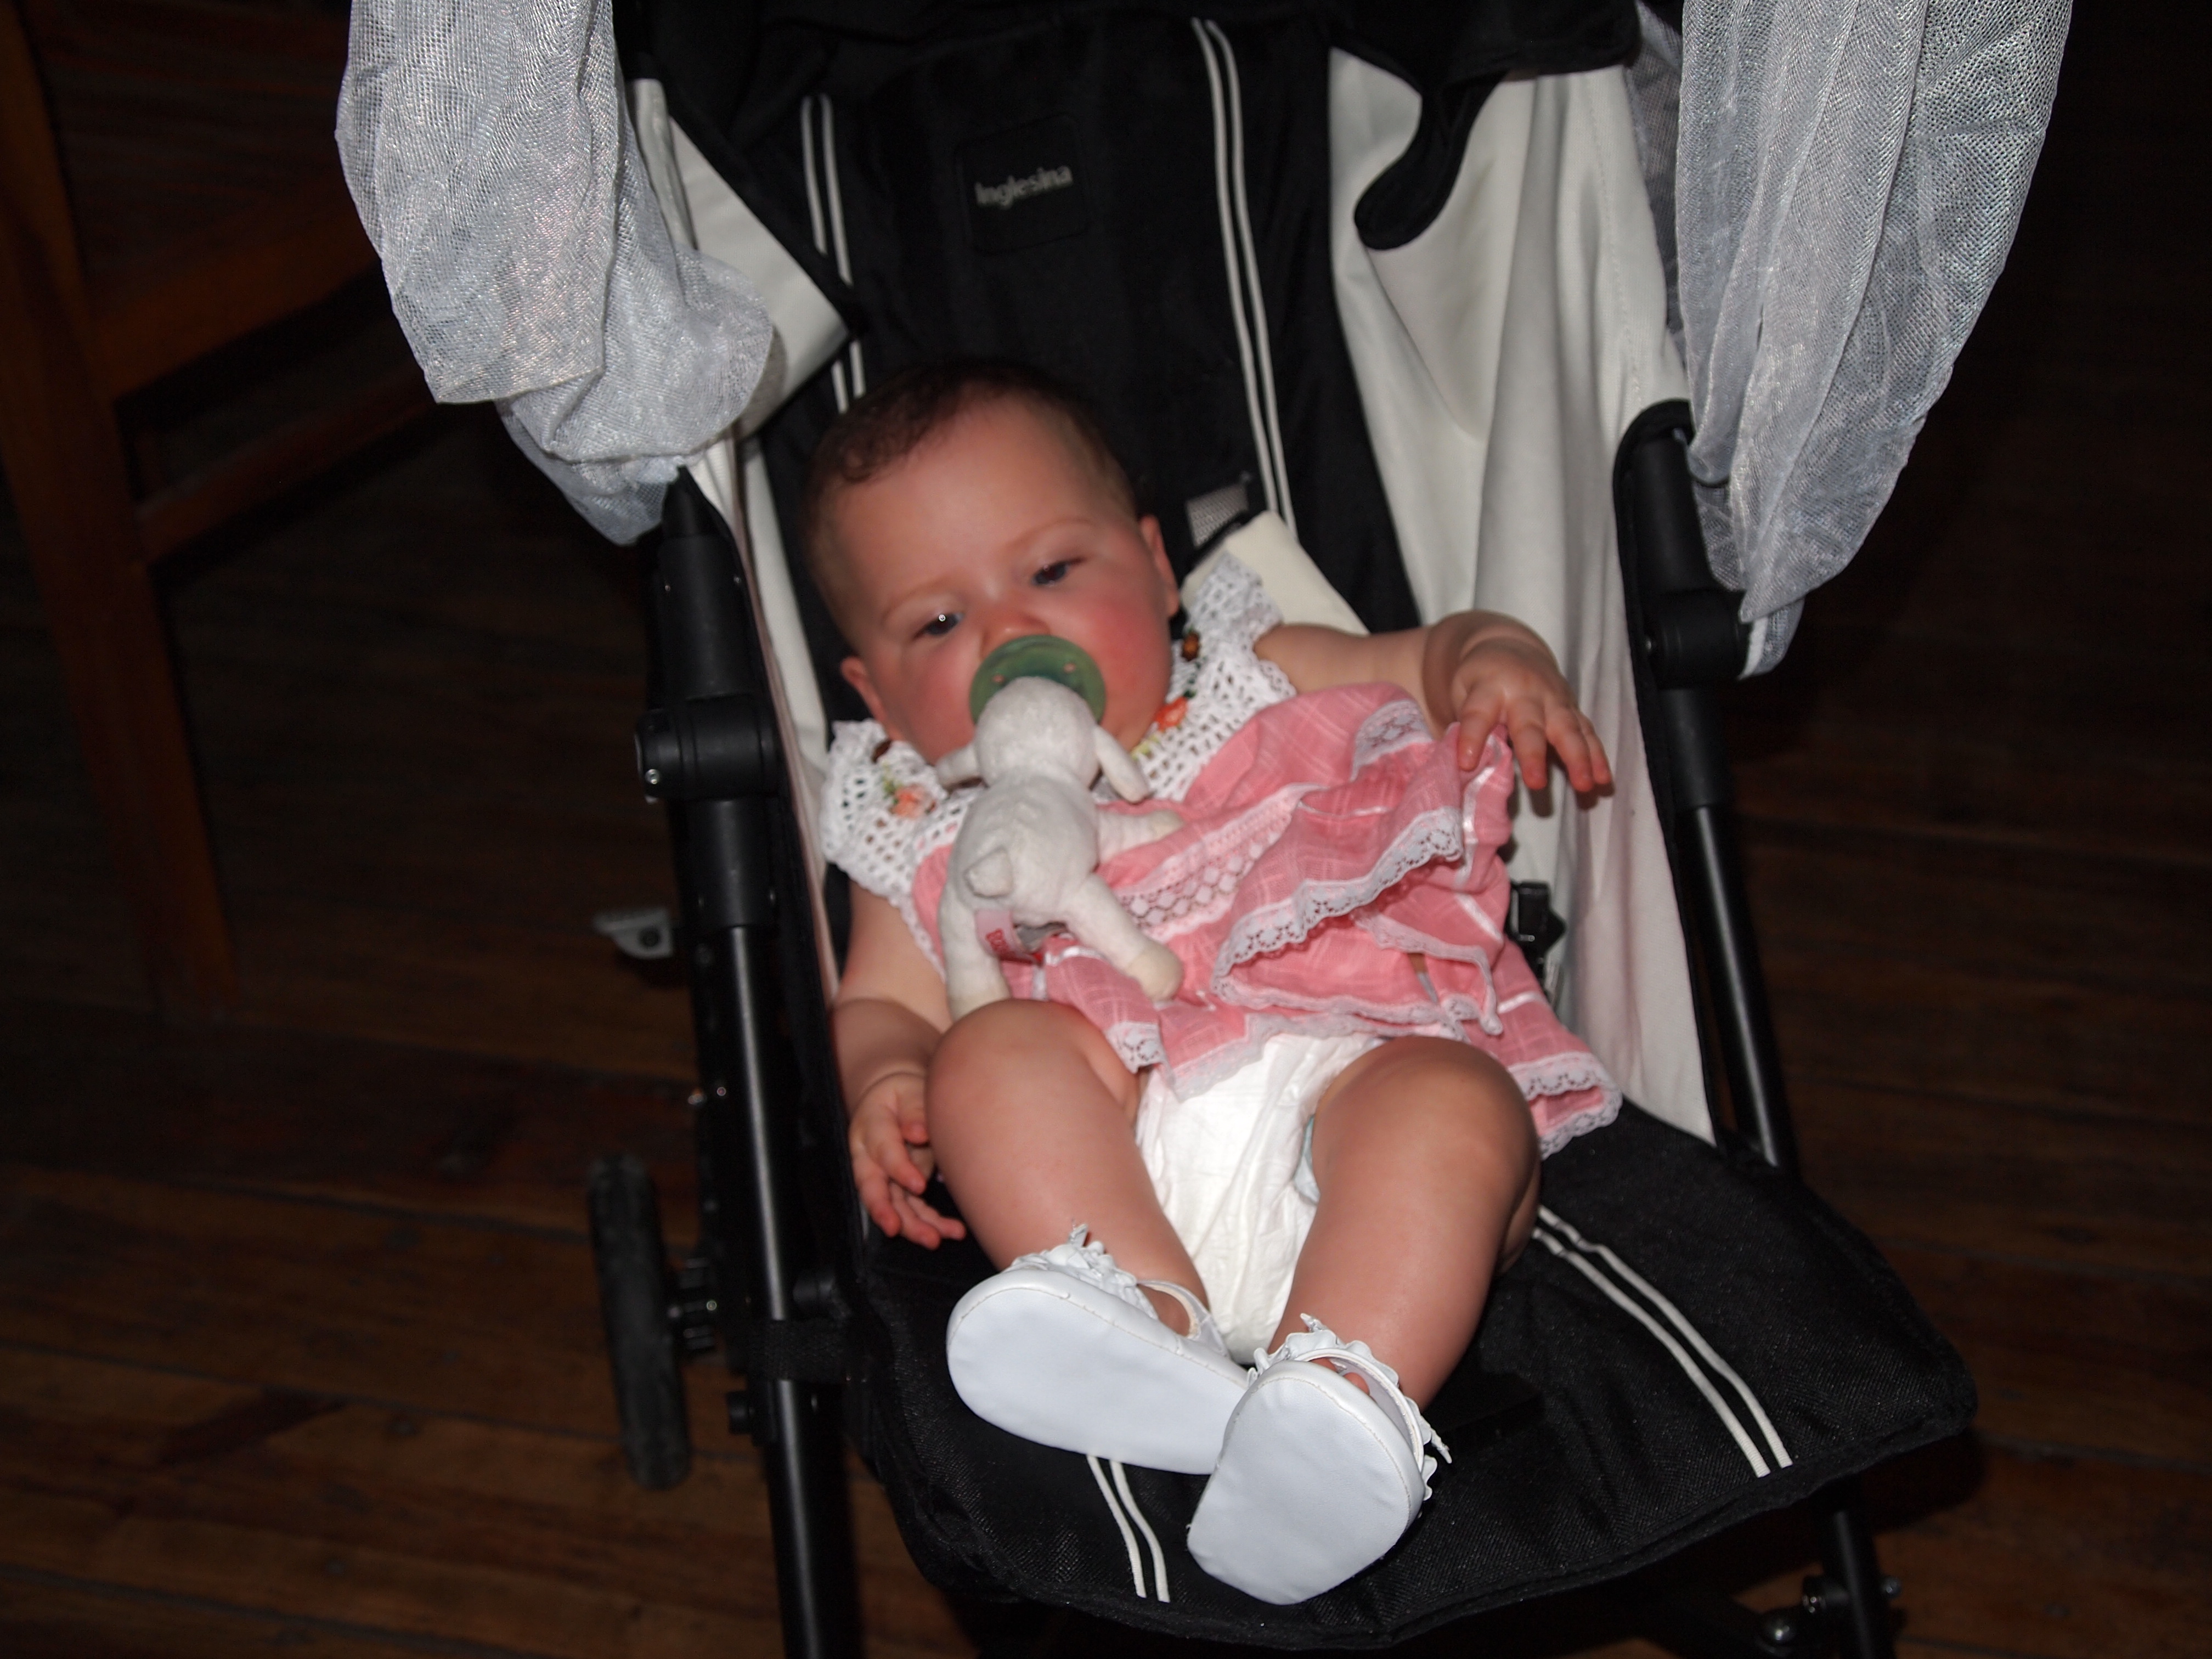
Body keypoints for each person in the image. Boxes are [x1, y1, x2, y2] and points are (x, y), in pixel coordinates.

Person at [811, 359, 1618, 1603]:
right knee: (985, 1057)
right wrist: (888, 1077)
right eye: (935, 623)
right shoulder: (921, 817)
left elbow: (1431, 654)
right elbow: (879, 1002)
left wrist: (1494, 657)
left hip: (1353, 1106)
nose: (1009, 635)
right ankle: (1144, 1331)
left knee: (1457, 1106)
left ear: (1155, 564)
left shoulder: (1252, 667)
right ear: (872, 689)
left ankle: (1342, 1406)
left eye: (1052, 570)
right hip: (1115, 1175)